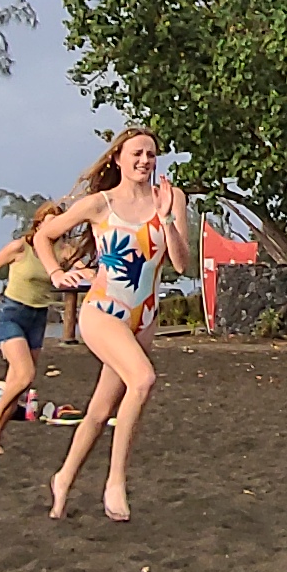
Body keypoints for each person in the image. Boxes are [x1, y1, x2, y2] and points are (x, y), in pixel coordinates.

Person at [44, 122, 189, 522]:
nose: (145, 160)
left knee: (98, 410)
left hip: (144, 318)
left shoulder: (171, 197)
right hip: (103, 310)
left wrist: (168, 220)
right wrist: (57, 274)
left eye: (151, 154)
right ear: (119, 159)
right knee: (142, 380)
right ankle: (115, 481)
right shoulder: (100, 204)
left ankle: (63, 479)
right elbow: (44, 236)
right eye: (137, 153)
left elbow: (180, 263)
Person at [0, 182, 86, 452]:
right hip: (11, 313)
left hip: (38, 317)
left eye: (57, 225)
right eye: (47, 224)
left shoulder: (64, 251)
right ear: (37, 226)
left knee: (18, 383)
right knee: (24, 376)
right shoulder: (20, 248)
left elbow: (84, 271)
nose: (51, 230)